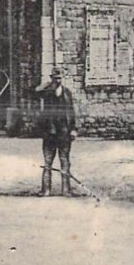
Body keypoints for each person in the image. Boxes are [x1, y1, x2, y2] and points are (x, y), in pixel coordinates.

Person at [37, 67, 77, 195]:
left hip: (64, 133)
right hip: (50, 133)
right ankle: (46, 190)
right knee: (48, 162)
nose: (58, 80)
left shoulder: (67, 93)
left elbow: (71, 113)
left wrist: (73, 129)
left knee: (65, 161)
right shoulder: (47, 93)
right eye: (55, 78)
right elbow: (35, 92)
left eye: (59, 78)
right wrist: (45, 85)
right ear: (51, 79)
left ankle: (66, 190)